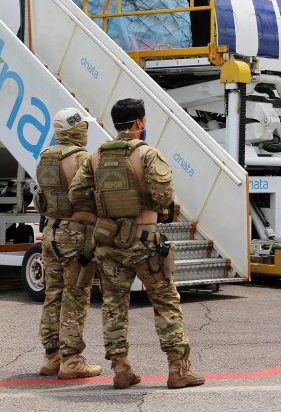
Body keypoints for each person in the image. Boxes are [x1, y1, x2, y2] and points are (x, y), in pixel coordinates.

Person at [69, 98, 205, 390]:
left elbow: (77, 195)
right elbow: (164, 196)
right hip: (144, 242)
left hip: (108, 244)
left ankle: (121, 370)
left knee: (113, 305)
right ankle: (178, 370)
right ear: (139, 123)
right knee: (166, 302)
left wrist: (105, 211)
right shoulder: (148, 154)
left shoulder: (94, 158)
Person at [35, 108, 102, 379]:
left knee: (53, 294)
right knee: (76, 295)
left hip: (51, 232)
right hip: (75, 235)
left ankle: (51, 357)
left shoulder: (45, 156)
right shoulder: (83, 159)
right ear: (77, 129)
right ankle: (71, 360)